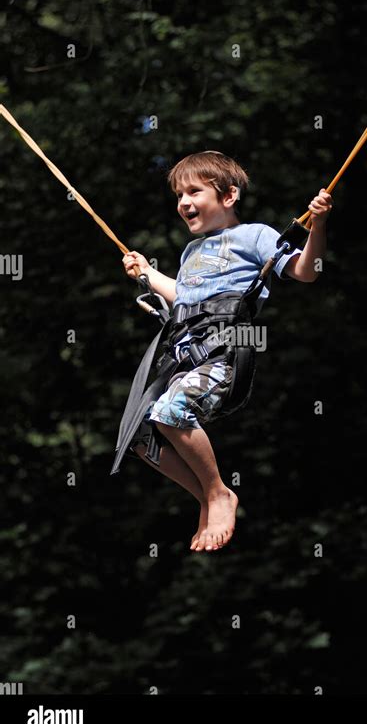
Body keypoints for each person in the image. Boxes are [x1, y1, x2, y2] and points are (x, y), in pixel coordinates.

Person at [118, 151, 332, 553]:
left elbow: (307, 271)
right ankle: (206, 497)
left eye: (194, 191)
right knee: (139, 436)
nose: (183, 202)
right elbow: (183, 297)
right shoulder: (189, 253)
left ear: (229, 195)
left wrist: (317, 225)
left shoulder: (254, 236)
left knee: (170, 413)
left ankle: (218, 493)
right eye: (179, 195)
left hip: (226, 353)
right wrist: (146, 271)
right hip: (186, 357)